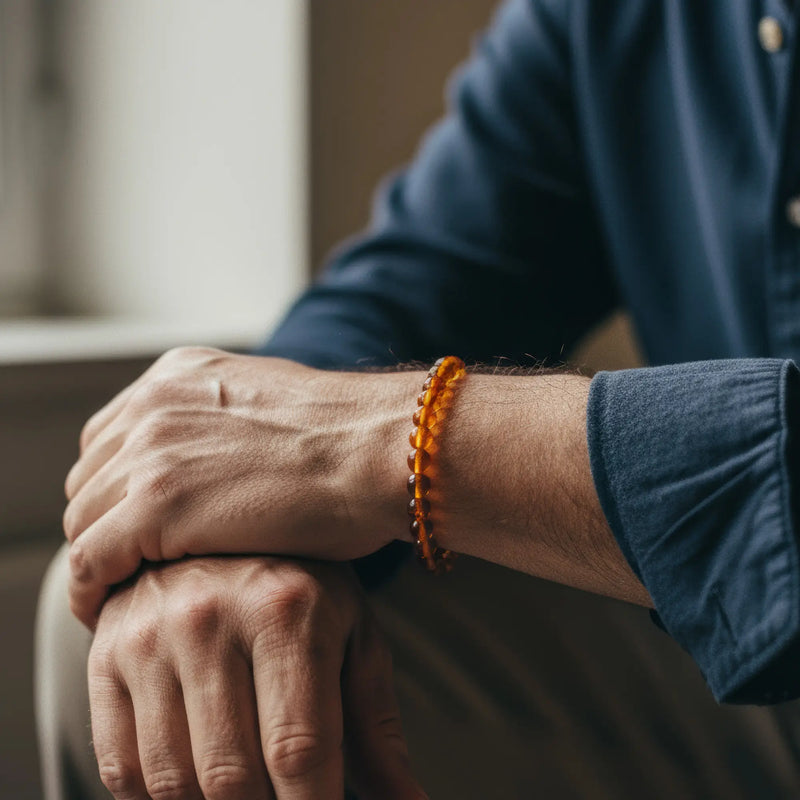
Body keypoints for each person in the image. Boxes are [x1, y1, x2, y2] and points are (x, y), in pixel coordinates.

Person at [36, 1, 800, 797]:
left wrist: (373, 449)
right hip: (730, 662)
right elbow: (421, 276)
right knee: (158, 628)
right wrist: (244, 514)